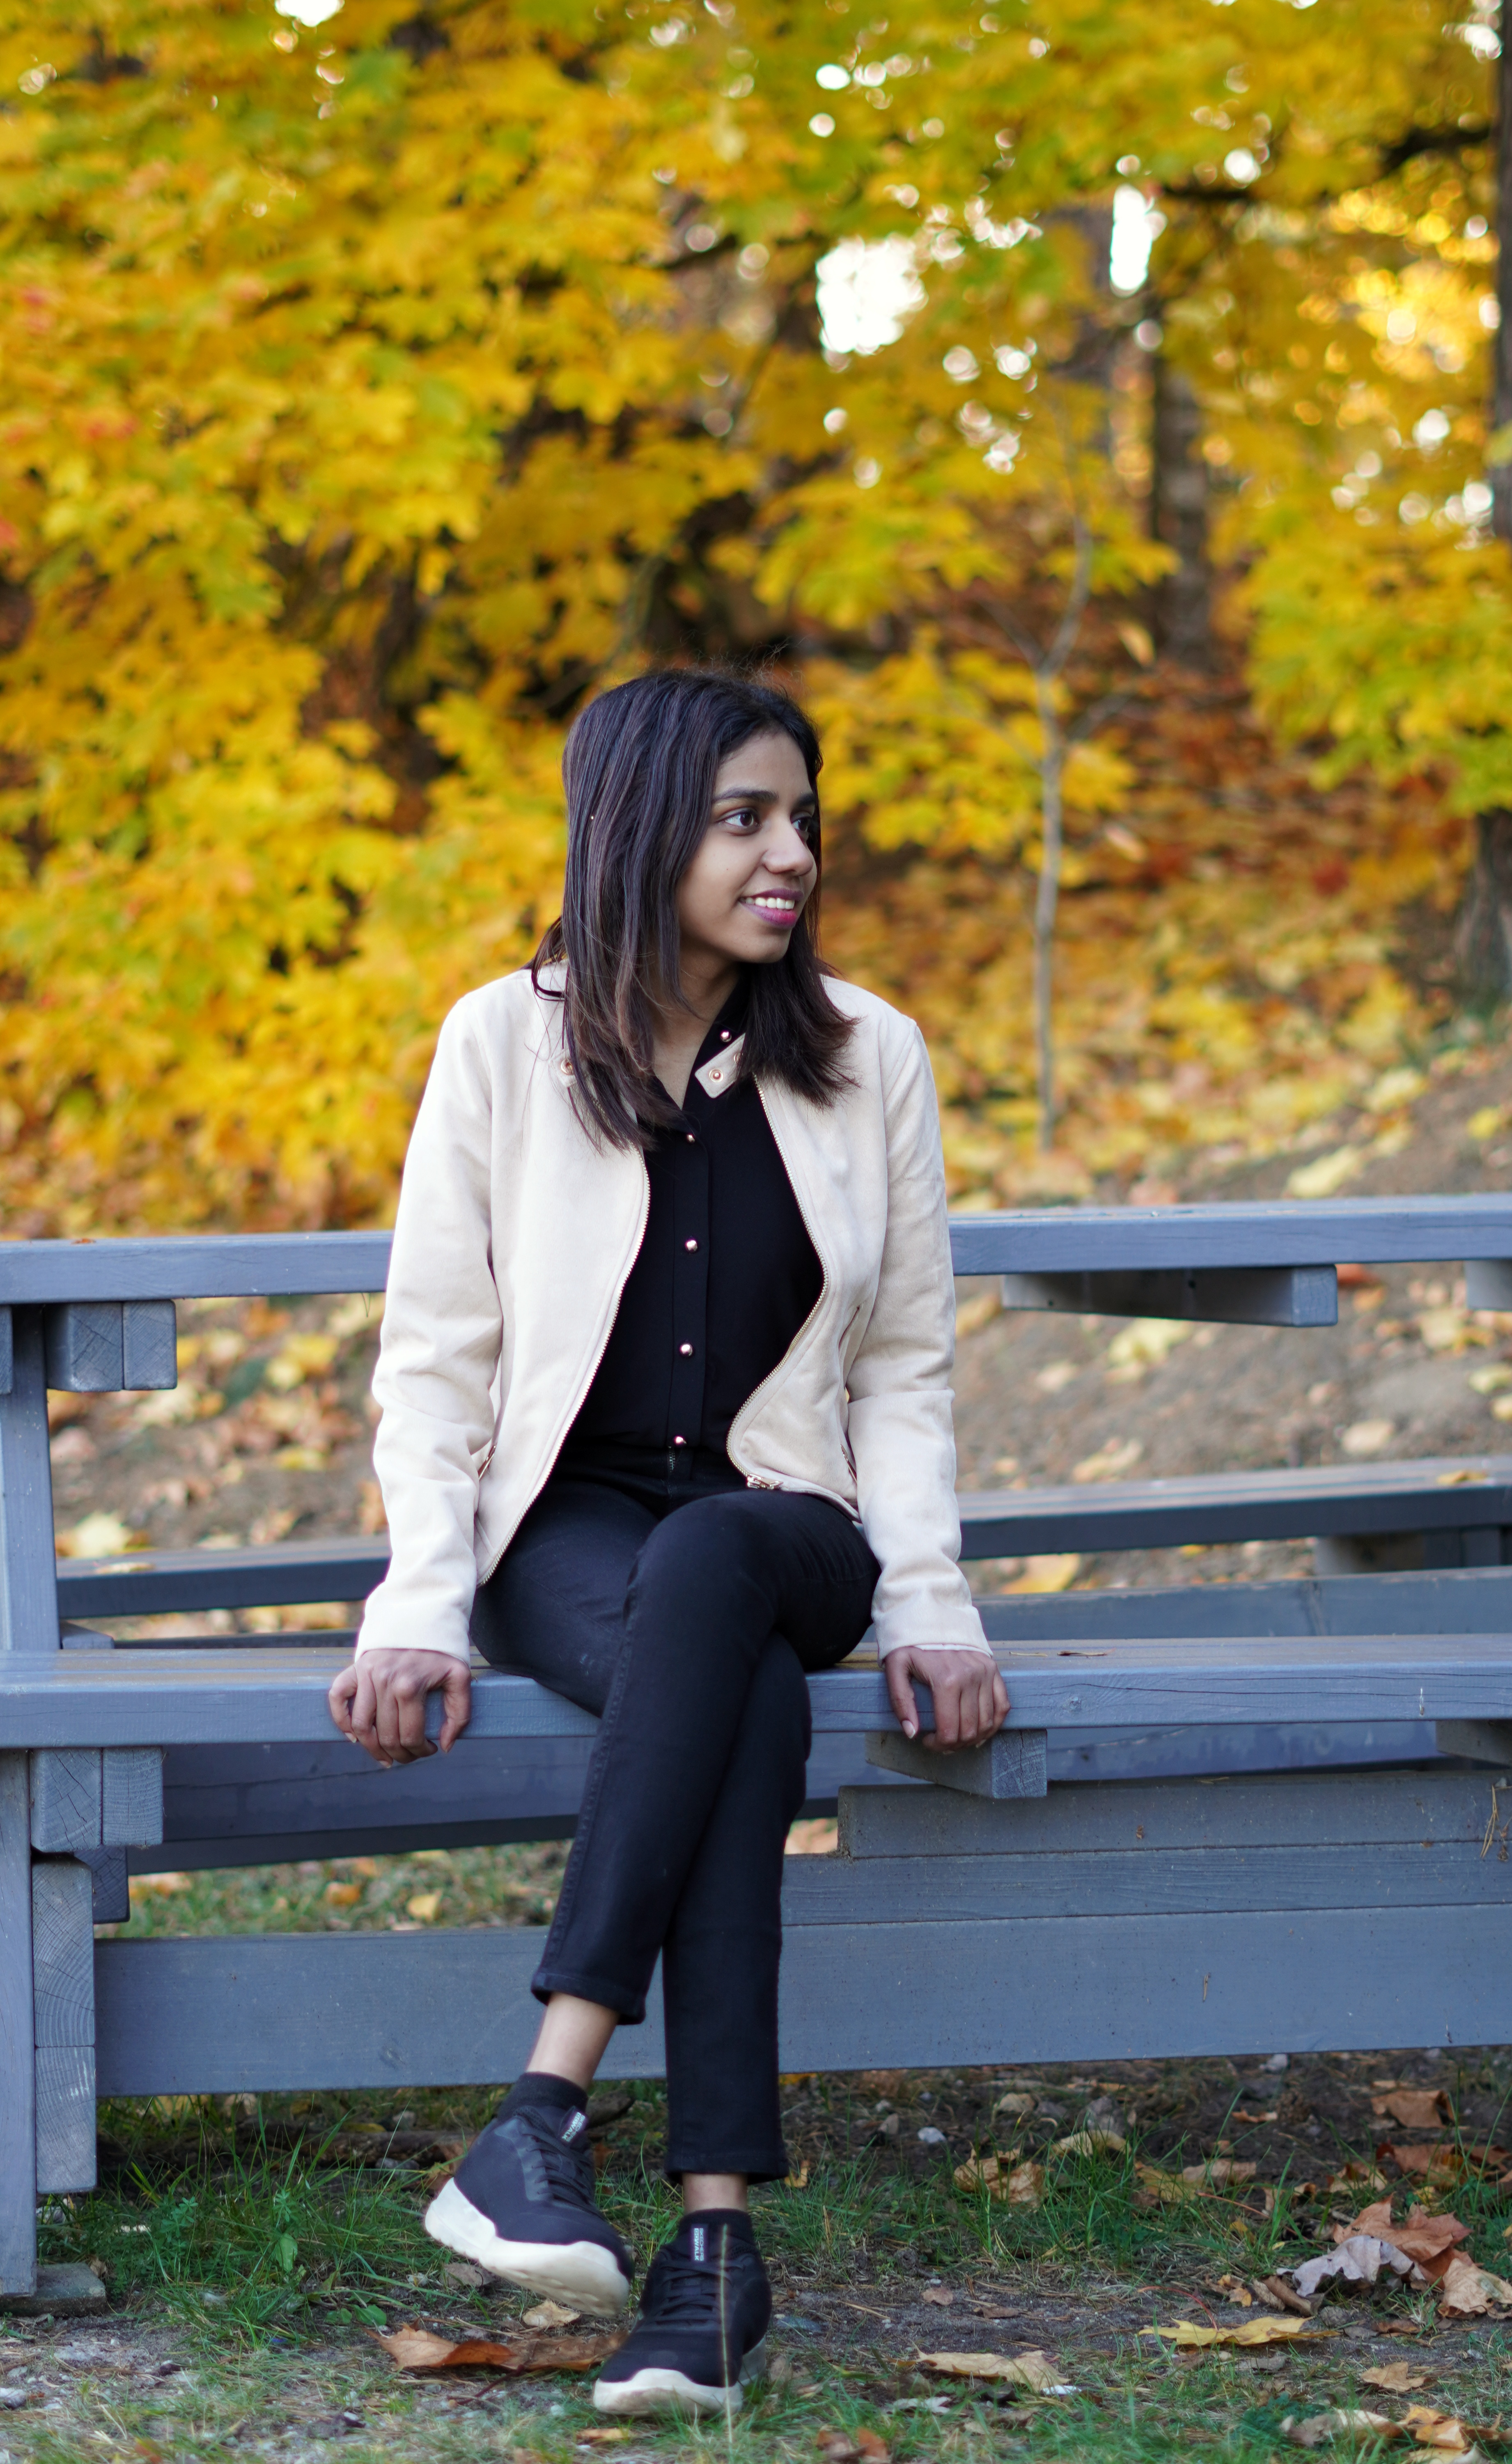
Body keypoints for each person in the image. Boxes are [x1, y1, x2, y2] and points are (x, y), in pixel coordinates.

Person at [327, 667, 1009, 2418]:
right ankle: (711, 2259)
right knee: (747, 1719)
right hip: (562, 1529)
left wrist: (931, 1604)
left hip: (788, 1524)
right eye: (744, 820)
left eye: (801, 820)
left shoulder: (870, 1057)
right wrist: (418, 1602)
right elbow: (439, 1354)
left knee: (722, 1576)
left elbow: (908, 1369)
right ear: (639, 832)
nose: (791, 855)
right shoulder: (500, 1040)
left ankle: (541, 2109)